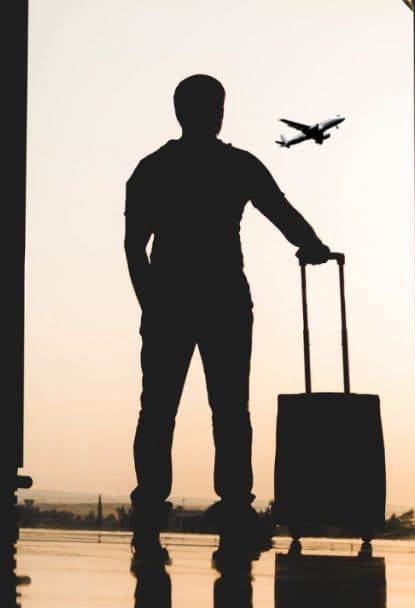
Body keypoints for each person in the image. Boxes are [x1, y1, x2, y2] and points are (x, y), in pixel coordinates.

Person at [124, 74, 332, 565]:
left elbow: (136, 246)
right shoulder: (236, 165)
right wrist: (313, 245)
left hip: (170, 301)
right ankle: (235, 507)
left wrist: (150, 303)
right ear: (217, 112)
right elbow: (278, 210)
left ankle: (150, 506)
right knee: (231, 410)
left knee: (157, 410)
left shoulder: (153, 169)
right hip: (224, 300)